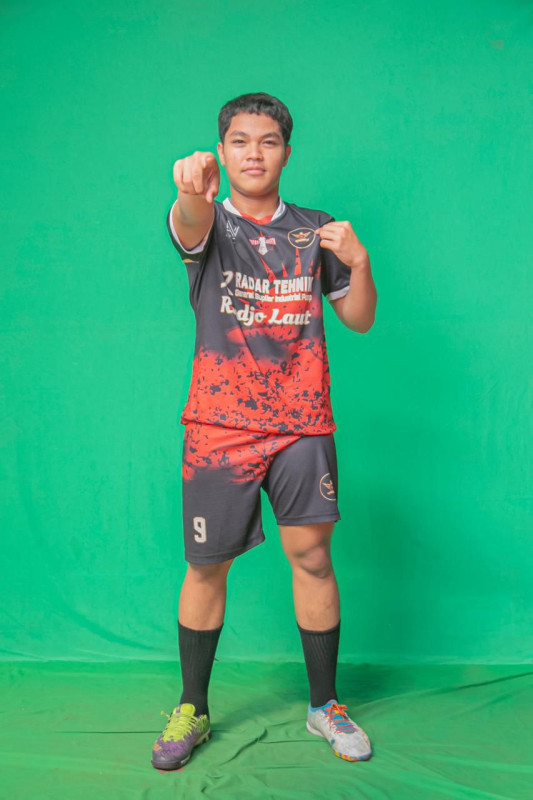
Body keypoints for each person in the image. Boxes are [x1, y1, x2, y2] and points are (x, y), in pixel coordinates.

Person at [152, 93, 377, 771]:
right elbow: (188, 221)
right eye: (241, 141)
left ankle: (324, 706)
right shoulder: (209, 220)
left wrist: (360, 262)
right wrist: (189, 191)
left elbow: (359, 319)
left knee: (312, 558)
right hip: (219, 426)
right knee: (205, 567)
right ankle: (192, 707)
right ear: (223, 152)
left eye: (268, 141)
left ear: (286, 151)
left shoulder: (316, 229)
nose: (254, 152)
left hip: (302, 424)